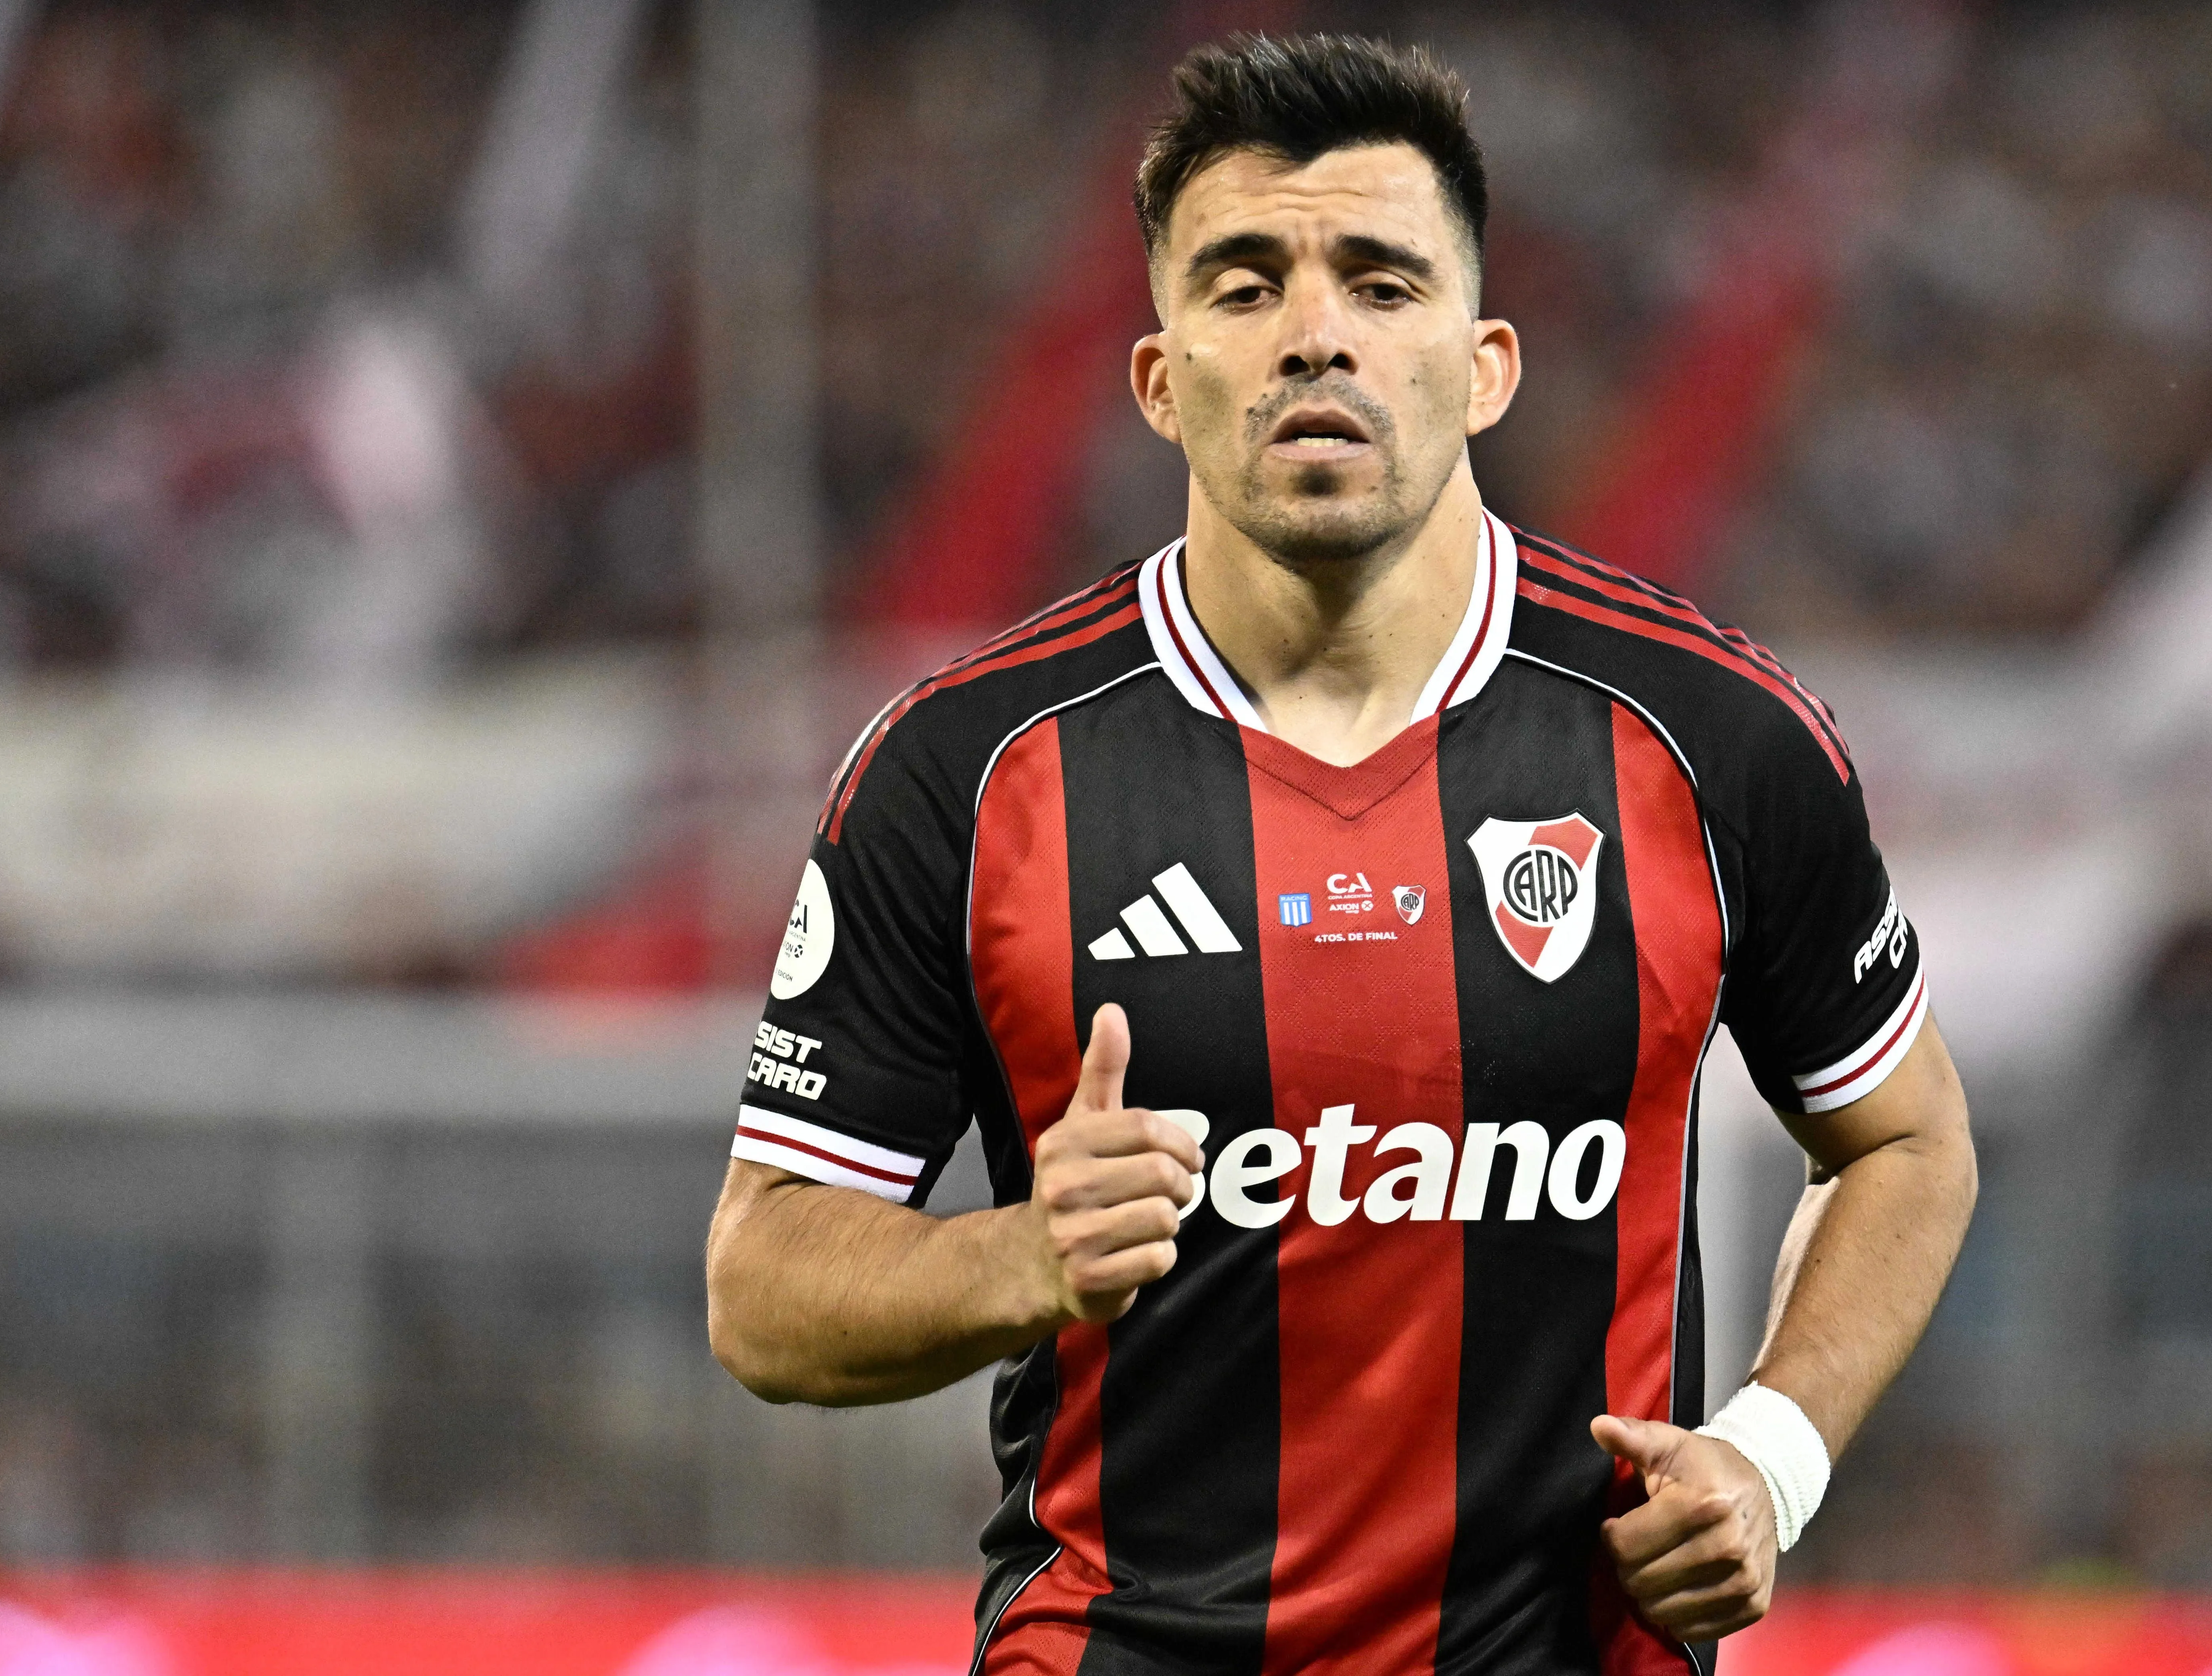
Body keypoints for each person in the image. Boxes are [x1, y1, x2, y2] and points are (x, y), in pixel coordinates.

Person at [705, 32, 1976, 1674]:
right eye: (1243, 288)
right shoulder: (965, 773)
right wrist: (1015, 1258)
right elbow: (762, 1290)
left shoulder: (1708, 737)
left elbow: (1905, 1139)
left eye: (1381, 283)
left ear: (1486, 363)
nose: (1315, 332)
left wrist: (1770, 1454)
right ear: (1159, 378)